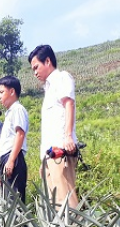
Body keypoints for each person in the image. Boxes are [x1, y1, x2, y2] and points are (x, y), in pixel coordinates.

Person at [29, 44, 80, 209]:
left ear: (48, 61)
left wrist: (68, 137)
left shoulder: (62, 78)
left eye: (36, 67)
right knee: (56, 204)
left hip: (61, 151)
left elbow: (69, 105)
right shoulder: (48, 89)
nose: (35, 72)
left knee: (67, 202)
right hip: (50, 154)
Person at [0, 75, 29, 203]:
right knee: (8, 201)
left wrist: (10, 160)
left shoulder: (18, 109)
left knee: (15, 201)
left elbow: (20, 134)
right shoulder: (10, 112)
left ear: (12, 91)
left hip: (13, 158)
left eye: (1, 92)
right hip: (9, 159)